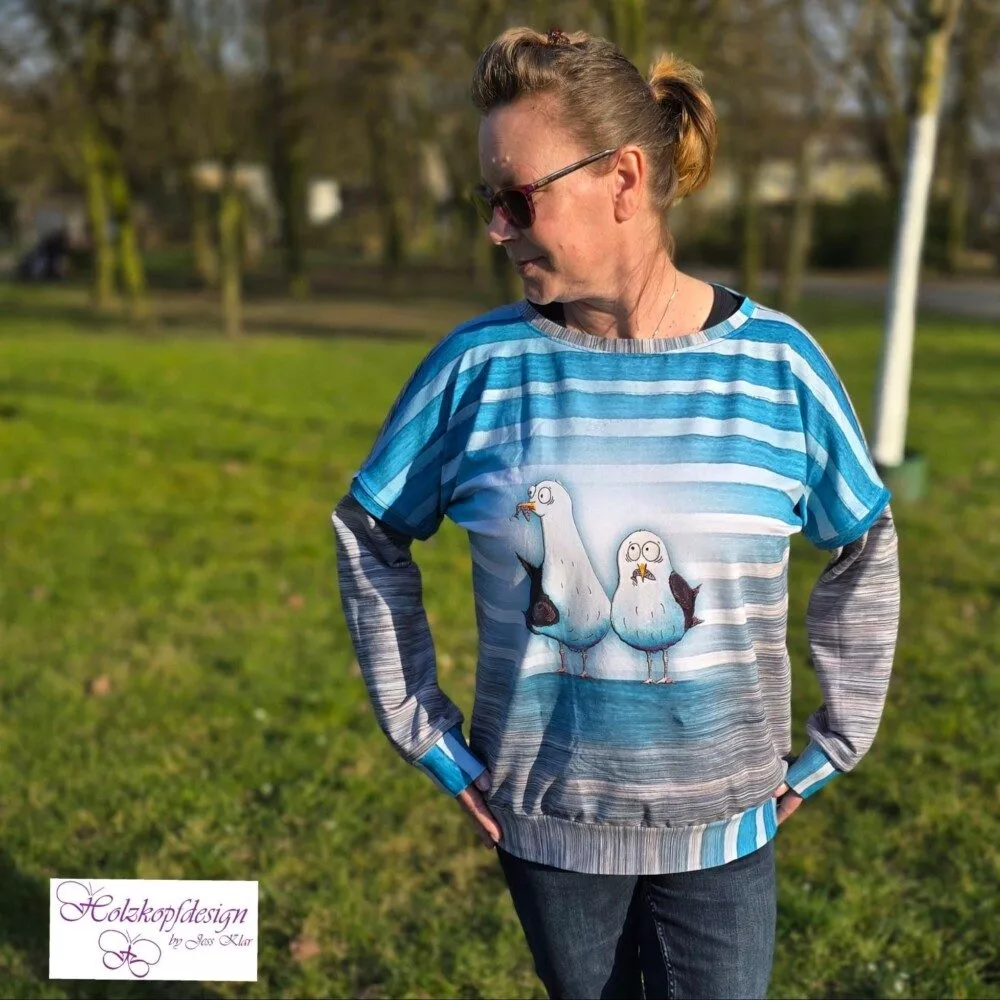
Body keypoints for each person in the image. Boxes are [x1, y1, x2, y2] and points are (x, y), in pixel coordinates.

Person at [333, 25, 901, 1000]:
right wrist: (423, 730)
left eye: (517, 198)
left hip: (727, 834)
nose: (496, 229)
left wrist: (833, 745)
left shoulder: (779, 367)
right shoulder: (477, 370)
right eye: (486, 201)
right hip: (548, 832)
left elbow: (864, 540)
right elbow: (368, 530)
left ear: (623, 179)